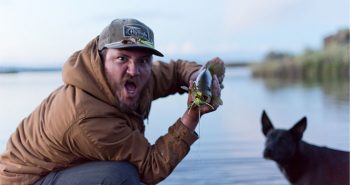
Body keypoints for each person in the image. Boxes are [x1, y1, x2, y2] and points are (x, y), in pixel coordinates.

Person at [0, 18, 225, 185]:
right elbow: (151, 167)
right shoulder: (87, 117)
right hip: (27, 180)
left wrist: (196, 76)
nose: (134, 70)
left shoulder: (135, 76)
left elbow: (176, 70)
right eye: (121, 58)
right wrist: (192, 116)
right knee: (122, 177)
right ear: (100, 59)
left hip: (65, 168)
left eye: (144, 60)